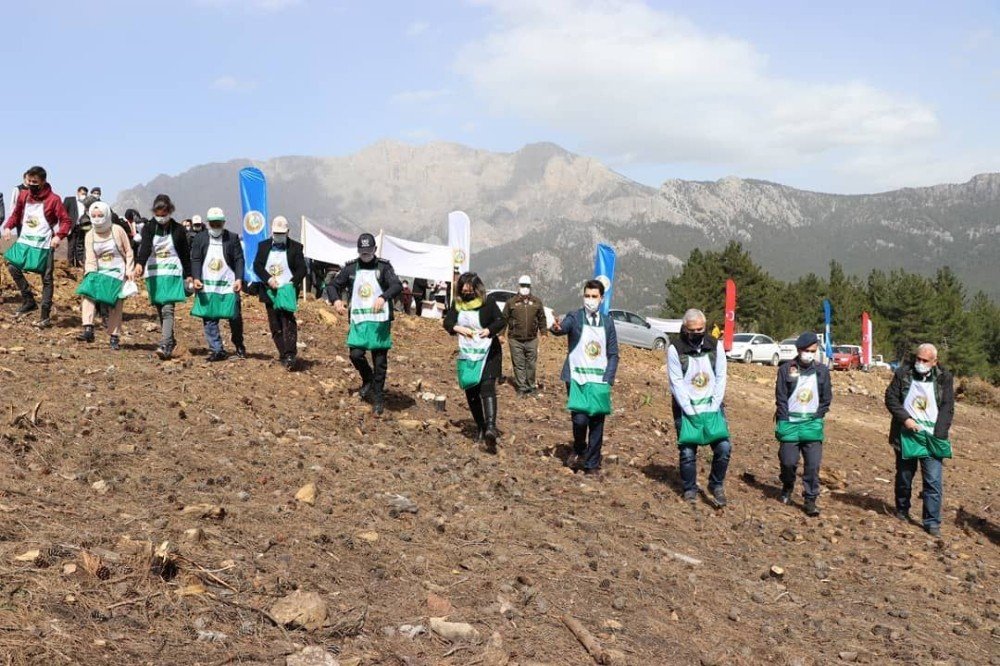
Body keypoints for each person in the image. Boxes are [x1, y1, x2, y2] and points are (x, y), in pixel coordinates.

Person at [884, 343, 955, 537]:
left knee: (933, 481)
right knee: (905, 476)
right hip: (906, 435)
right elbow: (891, 398)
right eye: (918, 359)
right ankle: (902, 510)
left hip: (932, 437)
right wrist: (906, 419)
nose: (920, 363)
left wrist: (939, 434)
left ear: (934, 362)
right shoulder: (903, 374)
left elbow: (948, 407)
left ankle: (931, 522)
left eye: (925, 360)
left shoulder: (944, 378)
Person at [550, 279, 619, 478]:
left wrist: (609, 378)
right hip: (577, 378)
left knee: (597, 422)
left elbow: (613, 353)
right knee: (580, 420)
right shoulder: (575, 317)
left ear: (602, 298)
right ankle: (580, 447)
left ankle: (592, 465)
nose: (590, 300)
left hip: (599, 381)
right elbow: (561, 328)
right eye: (587, 296)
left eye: (594, 296)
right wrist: (555, 327)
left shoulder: (608, 322)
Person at [329, 233, 403, 414]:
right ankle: (368, 379)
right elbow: (332, 286)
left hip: (379, 321)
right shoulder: (351, 268)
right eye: (362, 252)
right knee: (355, 354)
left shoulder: (383, 268)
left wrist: (384, 297)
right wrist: (336, 301)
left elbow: (396, 285)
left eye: (368, 252)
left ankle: (378, 397)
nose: (365, 255)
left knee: (379, 360)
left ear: (375, 250)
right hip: (359, 320)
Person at [667, 308, 732, 507]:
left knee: (723, 447)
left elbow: (721, 375)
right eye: (692, 330)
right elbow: (676, 382)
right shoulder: (675, 349)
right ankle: (689, 489)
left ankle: (716, 484)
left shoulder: (715, 346)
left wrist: (714, 405)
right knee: (687, 451)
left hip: (712, 406)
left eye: (700, 329)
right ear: (685, 329)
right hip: (686, 408)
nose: (696, 333)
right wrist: (689, 410)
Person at [2, 166, 72, 327]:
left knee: (46, 278)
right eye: (29, 181)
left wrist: (59, 236)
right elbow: (16, 214)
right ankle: (28, 299)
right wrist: (8, 227)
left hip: (44, 243)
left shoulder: (54, 199)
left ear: (43, 182)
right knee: (12, 265)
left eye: (35, 182)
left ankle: (45, 315)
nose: (31, 184)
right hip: (25, 241)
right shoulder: (24, 195)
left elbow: (66, 221)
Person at [443, 272, 507, 451]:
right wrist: (457, 328)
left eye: (470, 291)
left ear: (477, 289)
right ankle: (480, 426)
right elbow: (447, 322)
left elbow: (501, 321)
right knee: (471, 390)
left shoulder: (488, 303)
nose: (467, 294)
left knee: (487, 387)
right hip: (469, 353)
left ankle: (491, 427)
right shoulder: (458, 304)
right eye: (464, 291)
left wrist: (488, 330)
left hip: (489, 353)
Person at [774, 332, 832, 516]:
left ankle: (810, 500)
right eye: (807, 350)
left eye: (813, 351)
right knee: (788, 462)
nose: (810, 354)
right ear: (799, 350)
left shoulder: (822, 371)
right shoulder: (786, 369)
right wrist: (783, 419)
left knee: (813, 465)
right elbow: (781, 396)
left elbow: (826, 397)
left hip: (811, 424)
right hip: (790, 422)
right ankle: (787, 485)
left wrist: (818, 415)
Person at [134, 194, 190, 360]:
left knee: (167, 308)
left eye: (164, 214)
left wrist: (189, 275)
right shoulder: (149, 228)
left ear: (170, 211)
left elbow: (185, 254)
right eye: (157, 215)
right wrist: (140, 264)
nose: (161, 218)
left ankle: (165, 344)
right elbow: (145, 247)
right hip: (155, 273)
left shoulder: (178, 230)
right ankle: (170, 340)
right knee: (159, 306)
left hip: (172, 273)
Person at [74, 202, 134, 349]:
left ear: (106, 215)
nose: (97, 219)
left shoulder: (117, 230)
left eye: (100, 215)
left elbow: (128, 251)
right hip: (99, 271)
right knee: (88, 294)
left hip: (117, 272)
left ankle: (114, 337)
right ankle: (88, 328)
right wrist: (90, 274)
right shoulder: (90, 235)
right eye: (93, 216)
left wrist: (129, 270)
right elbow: (90, 257)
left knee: (115, 304)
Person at [189, 207, 245, 361]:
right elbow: (195, 259)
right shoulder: (200, 239)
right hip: (208, 284)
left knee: (234, 316)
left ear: (223, 222)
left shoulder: (232, 238)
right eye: (212, 224)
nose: (215, 227)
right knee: (209, 316)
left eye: (218, 223)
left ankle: (239, 344)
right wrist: (196, 277)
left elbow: (239, 259)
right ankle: (217, 349)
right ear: (208, 224)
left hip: (228, 284)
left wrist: (239, 278)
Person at [253, 216, 307, 370]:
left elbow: (302, 268)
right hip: (270, 291)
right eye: (276, 233)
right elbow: (257, 265)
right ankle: (283, 353)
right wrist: (268, 279)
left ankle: (291, 354)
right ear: (271, 231)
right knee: (275, 324)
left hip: (287, 291)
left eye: (282, 233)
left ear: (288, 232)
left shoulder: (296, 248)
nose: (279, 236)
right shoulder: (263, 246)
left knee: (288, 321)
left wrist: (292, 282)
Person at [505, 274, 547, 397]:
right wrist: (501, 334)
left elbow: (542, 318)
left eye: (527, 286)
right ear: (519, 286)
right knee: (518, 364)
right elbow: (504, 318)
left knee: (531, 364)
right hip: (515, 339)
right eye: (523, 285)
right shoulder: (511, 303)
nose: (525, 288)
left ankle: (531, 386)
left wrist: (544, 332)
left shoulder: (536, 302)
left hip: (532, 339)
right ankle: (522, 388)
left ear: (530, 286)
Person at [63, 186, 89, 268]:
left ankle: (79, 263)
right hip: (72, 226)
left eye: (85, 194)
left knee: (80, 244)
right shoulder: (69, 200)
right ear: (78, 192)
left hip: (82, 226)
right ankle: (70, 263)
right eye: (82, 193)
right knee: (71, 244)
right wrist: (66, 227)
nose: (83, 195)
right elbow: (63, 213)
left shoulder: (86, 202)